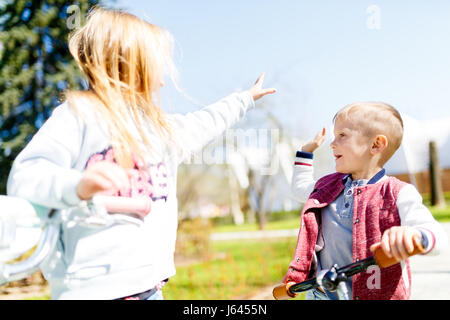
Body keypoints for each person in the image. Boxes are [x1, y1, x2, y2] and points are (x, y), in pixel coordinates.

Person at [6, 7, 276, 300]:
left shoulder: (158, 129)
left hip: (149, 289)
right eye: (157, 64)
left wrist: (243, 100)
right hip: (91, 291)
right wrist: (77, 185)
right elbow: (26, 177)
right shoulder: (77, 115)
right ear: (128, 64)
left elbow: (204, 123)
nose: (163, 79)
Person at [285, 102, 447, 300]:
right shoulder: (328, 186)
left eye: (342, 135)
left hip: (377, 293)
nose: (332, 143)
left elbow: (438, 236)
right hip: (323, 294)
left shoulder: (397, 192)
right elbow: (300, 189)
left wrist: (415, 236)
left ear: (376, 145)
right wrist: (305, 153)